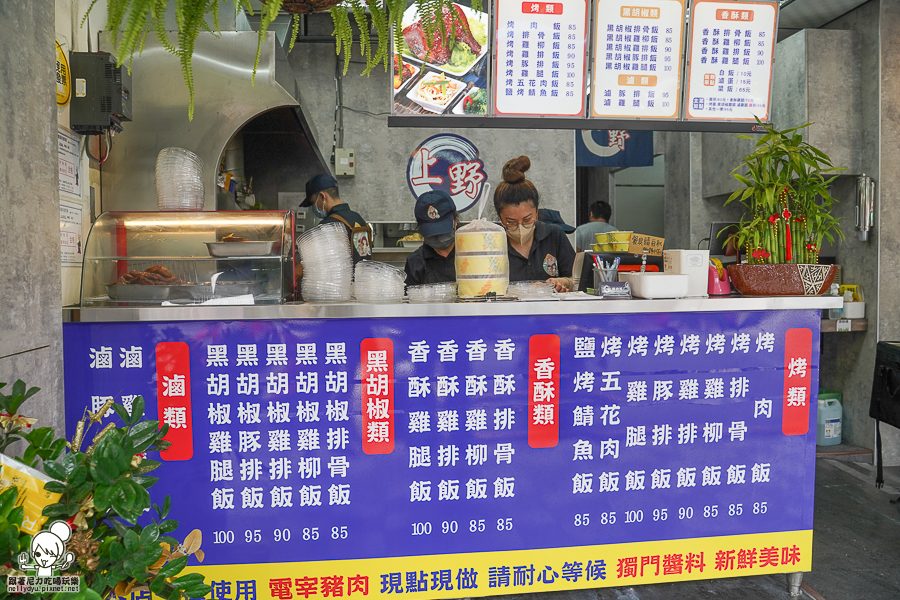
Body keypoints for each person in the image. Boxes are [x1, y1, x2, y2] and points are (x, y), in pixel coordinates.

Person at [494, 156, 575, 292]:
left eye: (527, 220)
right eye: (511, 222)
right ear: (499, 216)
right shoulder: (492, 243)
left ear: (537, 210)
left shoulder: (554, 235)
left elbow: (577, 278)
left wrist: (563, 282)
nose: (520, 228)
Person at [300, 173, 372, 264]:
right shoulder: (359, 219)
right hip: (362, 277)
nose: (313, 207)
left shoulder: (327, 226)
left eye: (313, 202)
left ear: (322, 197)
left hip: (341, 278)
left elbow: (312, 264)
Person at [405, 190, 458, 286]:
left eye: (443, 231)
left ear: (455, 221)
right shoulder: (415, 262)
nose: (438, 237)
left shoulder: (471, 254)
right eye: (432, 233)